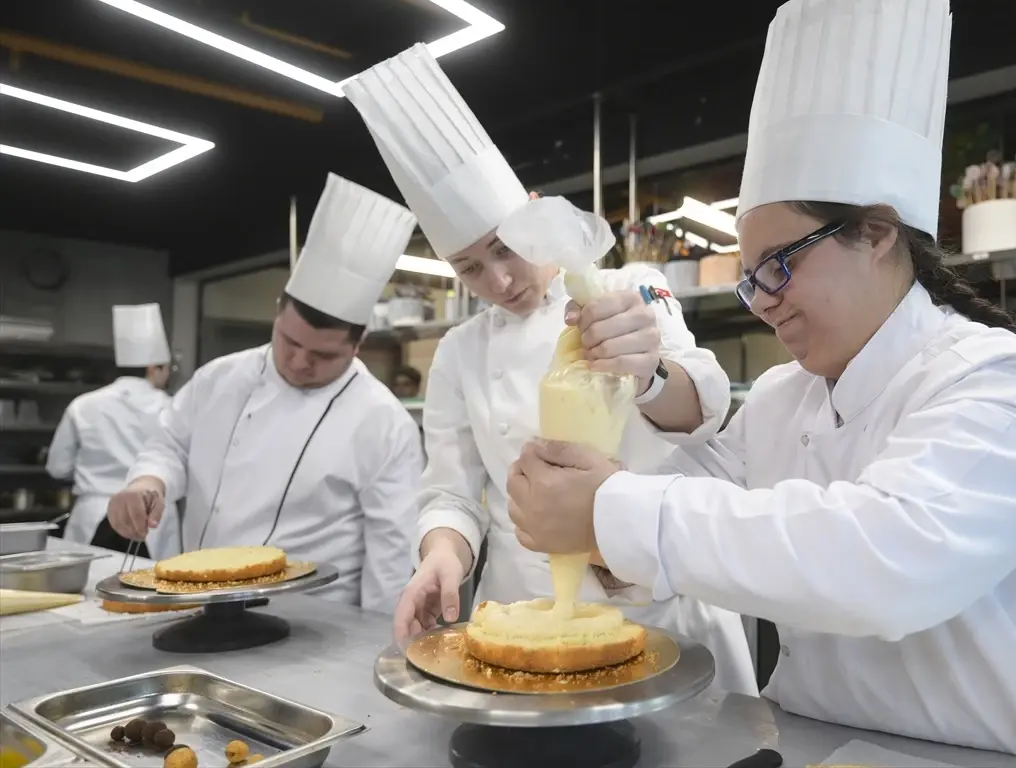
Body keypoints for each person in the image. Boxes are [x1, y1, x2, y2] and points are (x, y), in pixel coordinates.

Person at [503, 0, 1016, 766]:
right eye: (751, 277)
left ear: (876, 232)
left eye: (780, 266)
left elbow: (889, 559)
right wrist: (607, 458)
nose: (763, 302)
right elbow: (695, 518)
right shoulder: (780, 398)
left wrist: (612, 512)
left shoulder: (1007, 382)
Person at [343, 44, 758, 695]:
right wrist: (442, 557)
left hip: (655, 605)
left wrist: (646, 372)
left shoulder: (626, 289)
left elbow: (703, 413)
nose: (500, 279)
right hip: (526, 622)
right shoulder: (460, 352)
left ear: (536, 211)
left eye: (504, 248)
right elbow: (452, 491)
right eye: (470, 267)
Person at [106, 174, 425, 612]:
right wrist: (148, 482)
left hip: (311, 628)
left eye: (322, 355)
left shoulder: (384, 422)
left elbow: (392, 555)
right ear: (277, 312)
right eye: (289, 342)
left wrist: (372, 646)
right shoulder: (219, 378)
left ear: (358, 342)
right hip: (195, 602)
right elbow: (171, 446)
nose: (299, 362)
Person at [47, 303, 177, 558]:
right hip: (153, 519)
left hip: (93, 512)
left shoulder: (83, 405)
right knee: (156, 589)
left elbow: (57, 467)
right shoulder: (172, 407)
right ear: (154, 368)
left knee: (85, 588)